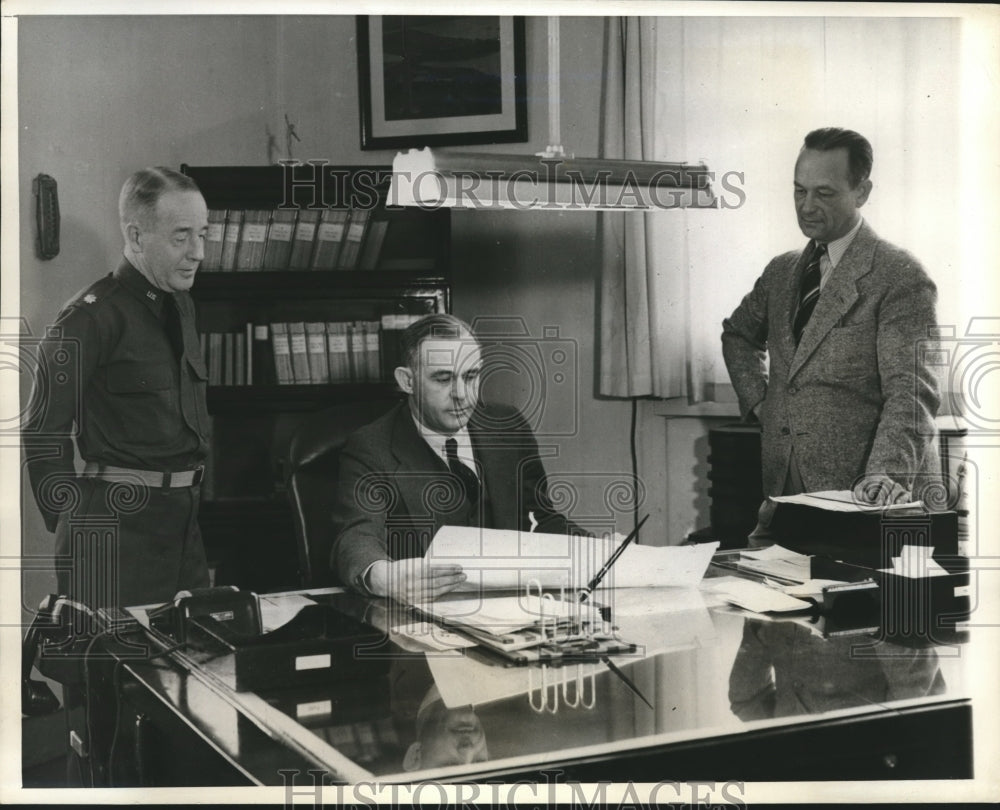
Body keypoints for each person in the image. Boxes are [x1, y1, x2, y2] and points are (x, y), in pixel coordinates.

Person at [721, 128, 940, 540]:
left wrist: (883, 479)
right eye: (799, 190)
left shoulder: (899, 274)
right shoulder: (782, 271)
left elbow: (912, 394)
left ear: (862, 192)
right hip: (783, 494)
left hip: (865, 498)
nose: (807, 206)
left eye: (823, 193)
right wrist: (763, 404)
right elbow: (738, 335)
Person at [24, 167, 212, 607]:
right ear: (136, 235)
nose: (198, 252)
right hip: (111, 532)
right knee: (107, 652)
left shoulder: (181, 306)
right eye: (181, 236)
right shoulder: (90, 316)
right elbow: (42, 432)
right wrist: (74, 521)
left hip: (182, 528)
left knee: (195, 647)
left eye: (203, 234)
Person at [331, 313, 583, 602]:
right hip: (427, 609)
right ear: (407, 381)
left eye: (471, 376)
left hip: (510, 604)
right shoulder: (372, 446)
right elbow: (355, 535)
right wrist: (383, 578)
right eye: (443, 379)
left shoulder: (507, 426)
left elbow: (542, 517)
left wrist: (601, 549)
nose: (462, 394)